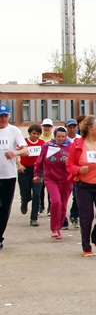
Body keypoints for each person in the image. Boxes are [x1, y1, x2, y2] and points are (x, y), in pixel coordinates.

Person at [67, 115, 96, 257]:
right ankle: (86, 247)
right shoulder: (77, 145)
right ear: (89, 129)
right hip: (84, 186)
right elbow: (69, 165)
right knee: (86, 217)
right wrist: (78, 170)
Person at [33, 126, 72, 239]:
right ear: (54, 136)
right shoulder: (47, 146)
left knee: (63, 204)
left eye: (63, 137)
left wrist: (69, 161)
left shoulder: (71, 146)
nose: (60, 139)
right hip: (51, 178)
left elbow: (76, 162)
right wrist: (36, 174)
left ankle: (59, 228)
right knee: (56, 202)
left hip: (66, 179)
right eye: (58, 136)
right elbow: (39, 161)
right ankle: (54, 228)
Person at [0, 104, 28, 250]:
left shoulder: (13, 130)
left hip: (8, 176)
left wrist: (14, 153)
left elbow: (25, 150)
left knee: (5, 208)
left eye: (5, 116)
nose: (3, 119)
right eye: (1, 116)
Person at [17, 124, 44, 226]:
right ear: (29, 133)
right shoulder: (23, 142)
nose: (35, 136)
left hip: (37, 170)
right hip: (24, 170)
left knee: (37, 194)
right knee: (25, 192)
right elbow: (15, 155)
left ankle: (34, 218)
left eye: (38, 134)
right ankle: (24, 200)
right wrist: (19, 165)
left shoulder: (42, 143)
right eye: (34, 133)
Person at [65, 118, 81, 228]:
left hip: (76, 171)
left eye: (74, 127)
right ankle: (61, 218)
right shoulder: (62, 138)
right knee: (63, 197)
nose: (72, 129)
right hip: (63, 172)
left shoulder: (80, 139)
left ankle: (74, 215)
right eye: (69, 127)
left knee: (77, 195)